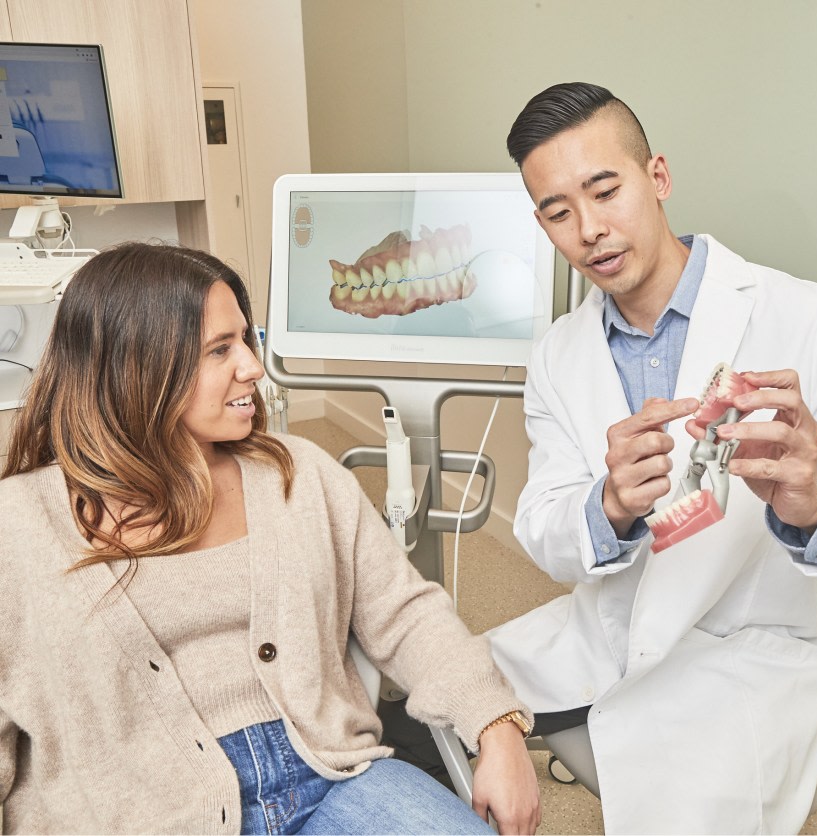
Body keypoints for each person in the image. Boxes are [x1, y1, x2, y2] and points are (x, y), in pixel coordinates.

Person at [0, 242, 541, 835]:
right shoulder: (20, 525)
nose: (253, 368)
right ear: (135, 368)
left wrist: (498, 726)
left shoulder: (298, 474)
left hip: (329, 774)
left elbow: (405, 614)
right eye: (219, 350)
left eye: (245, 341)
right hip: (142, 812)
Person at [485, 82, 817, 835]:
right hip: (604, 629)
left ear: (659, 178)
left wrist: (816, 506)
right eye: (557, 212)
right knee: (431, 690)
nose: (589, 231)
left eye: (605, 191)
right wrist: (608, 506)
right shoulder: (557, 357)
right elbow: (545, 529)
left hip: (746, 648)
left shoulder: (805, 318)